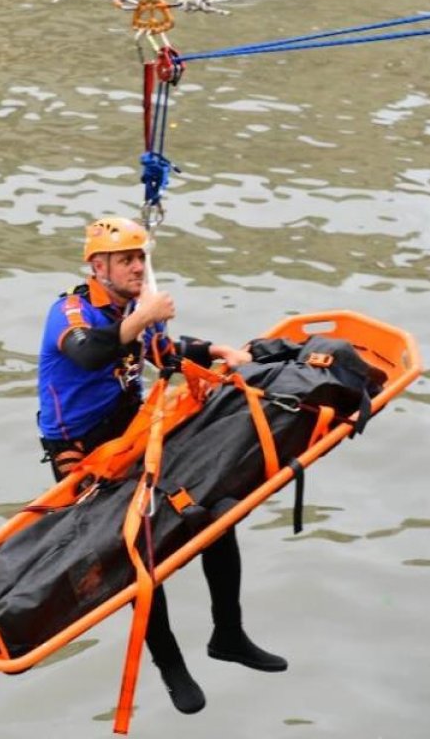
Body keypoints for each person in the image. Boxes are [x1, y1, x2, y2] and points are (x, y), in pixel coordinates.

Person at [37, 215, 286, 715]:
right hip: (82, 449)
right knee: (138, 554)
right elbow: (89, 355)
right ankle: (170, 664)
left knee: (219, 512)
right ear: (98, 265)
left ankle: (229, 633)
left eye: (141, 258)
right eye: (127, 259)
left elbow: (167, 355)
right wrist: (142, 315)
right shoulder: (69, 311)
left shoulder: (134, 309)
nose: (137, 267)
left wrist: (219, 351)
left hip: (131, 431)